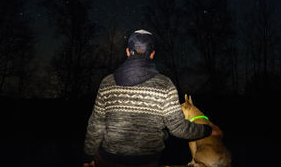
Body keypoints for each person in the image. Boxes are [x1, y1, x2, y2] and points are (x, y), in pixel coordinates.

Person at [83, 29, 222, 167]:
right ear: (152, 54)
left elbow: (95, 126)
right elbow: (179, 129)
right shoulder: (165, 85)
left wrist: (88, 157)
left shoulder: (107, 83)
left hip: (109, 160)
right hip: (147, 161)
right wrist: (208, 130)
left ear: (127, 52)